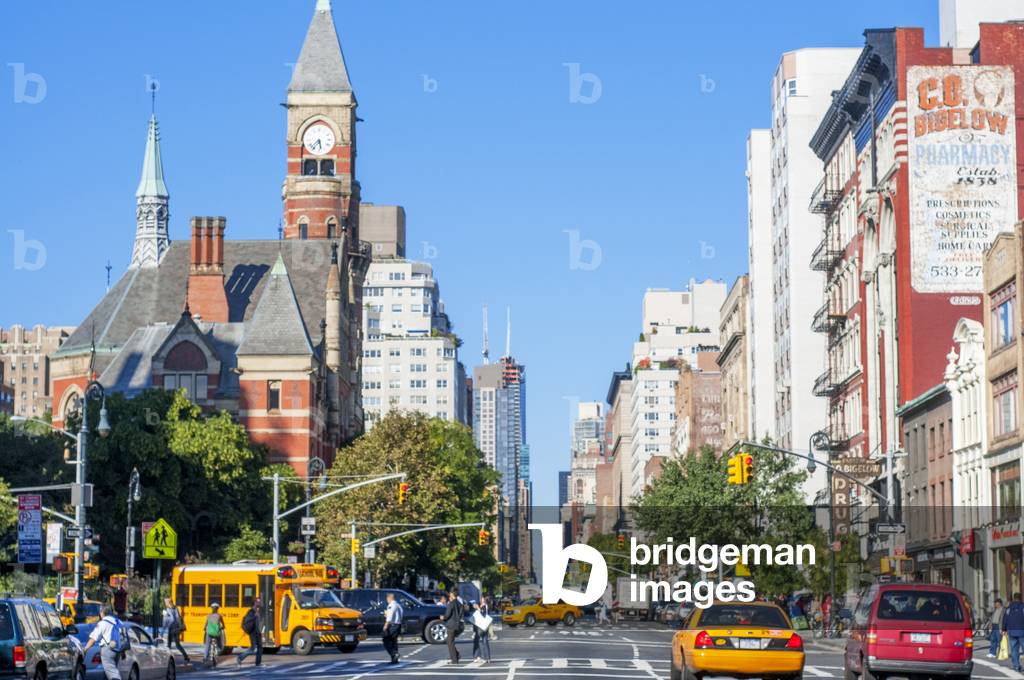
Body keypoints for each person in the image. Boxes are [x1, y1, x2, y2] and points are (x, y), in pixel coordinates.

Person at [83, 606, 126, 680]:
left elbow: (93, 639)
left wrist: (85, 649)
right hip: (118, 650)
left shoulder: (103, 623)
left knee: (112, 672)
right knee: (109, 672)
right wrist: (123, 652)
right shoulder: (119, 622)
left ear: (102, 613)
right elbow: (122, 638)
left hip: (107, 649)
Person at [161, 597, 191, 665]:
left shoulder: (166, 610)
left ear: (167, 603)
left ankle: (168, 659)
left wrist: (162, 631)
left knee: (168, 645)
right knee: (178, 644)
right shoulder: (175, 608)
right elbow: (178, 618)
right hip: (177, 629)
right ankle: (186, 657)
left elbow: (166, 621)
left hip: (171, 629)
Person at [237, 597, 263, 667]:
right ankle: (240, 657)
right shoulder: (251, 611)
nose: (259, 603)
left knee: (260, 648)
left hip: (257, 632)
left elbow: (258, 623)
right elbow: (248, 621)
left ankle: (258, 663)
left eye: (260, 602)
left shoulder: (257, 611)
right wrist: (254, 617)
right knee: (253, 648)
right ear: (255, 603)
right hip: (253, 632)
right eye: (258, 602)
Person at [1003, 592, 1024, 671]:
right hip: (1022, 631)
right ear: (1020, 598)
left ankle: (1016, 665)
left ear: (1014, 598)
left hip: (1011, 631)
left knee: (1014, 649)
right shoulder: (1023, 607)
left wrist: (1004, 629)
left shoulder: (1009, 608)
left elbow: (1005, 619)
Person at [382, 592, 403, 664]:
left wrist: (385, 625)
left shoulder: (391, 605)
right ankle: (394, 659)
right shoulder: (398, 605)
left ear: (389, 598)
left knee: (386, 640)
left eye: (387, 598)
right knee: (394, 642)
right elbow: (401, 615)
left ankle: (394, 653)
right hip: (398, 624)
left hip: (392, 625)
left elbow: (390, 617)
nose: (387, 600)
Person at [443, 588, 462, 664]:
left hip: (451, 625)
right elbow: (461, 614)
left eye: (450, 593)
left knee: (450, 642)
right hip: (457, 624)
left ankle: (454, 659)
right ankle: (456, 655)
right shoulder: (459, 603)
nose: (449, 594)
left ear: (452, 594)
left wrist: (443, 617)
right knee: (450, 641)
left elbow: (447, 615)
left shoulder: (451, 604)